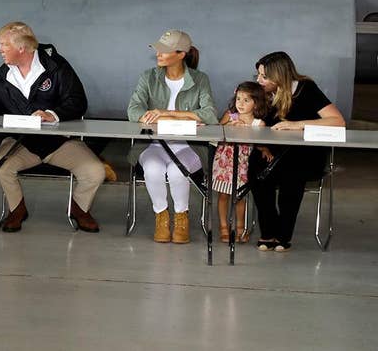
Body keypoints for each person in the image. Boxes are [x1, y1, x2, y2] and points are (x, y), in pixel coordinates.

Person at [0, 22, 105, 233]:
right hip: (21, 143)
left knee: (95, 171)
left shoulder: (57, 67)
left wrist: (52, 115)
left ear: (21, 48)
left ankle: (79, 208)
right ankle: (17, 209)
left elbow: (77, 101)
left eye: (3, 45)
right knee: (0, 167)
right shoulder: (4, 73)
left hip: (58, 142)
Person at [127, 29, 218, 244]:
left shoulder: (200, 79)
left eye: (165, 50)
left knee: (178, 171)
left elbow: (210, 115)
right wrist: (186, 118)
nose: (158, 53)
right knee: (153, 169)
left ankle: (181, 218)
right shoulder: (148, 77)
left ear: (181, 54)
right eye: (158, 49)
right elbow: (133, 110)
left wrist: (166, 113)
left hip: (190, 147)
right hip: (152, 146)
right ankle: (161, 217)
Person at [248, 51, 345, 252]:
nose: (259, 80)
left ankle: (283, 235)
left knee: (291, 175)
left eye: (264, 76)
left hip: (304, 155)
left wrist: (297, 125)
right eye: (258, 75)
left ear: (280, 75)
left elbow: (337, 121)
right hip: (272, 152)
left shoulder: (306, 89)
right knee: (256, 171)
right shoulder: (263, 92)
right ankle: (268, 231)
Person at [210, 81, 268, 243]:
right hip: (224, 162)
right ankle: (223, 227)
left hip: (244, 164)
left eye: (246, 100)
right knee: (223, 195)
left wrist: (265, 150)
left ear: (256, 102)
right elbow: (216, 132)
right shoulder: (231, 115)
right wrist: (229, 126)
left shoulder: (258, 123)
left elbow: (260, 143)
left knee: (240, 197)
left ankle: (240, 228)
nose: (240, 104)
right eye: (238, 99)